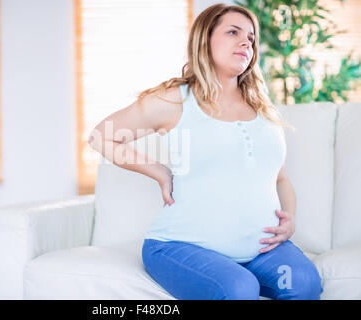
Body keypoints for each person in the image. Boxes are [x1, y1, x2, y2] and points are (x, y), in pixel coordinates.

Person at [88, 3, 323, 300]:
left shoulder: (262, 107)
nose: (245, 42)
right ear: (205, 39)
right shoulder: (175, 100)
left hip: (261, 251)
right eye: (233, 32)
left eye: (251, 38)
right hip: (179, 246)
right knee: (238, 289)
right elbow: (102, 136)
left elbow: (280, 178)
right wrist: (159, 171)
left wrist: (289, 217)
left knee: (304, 285)